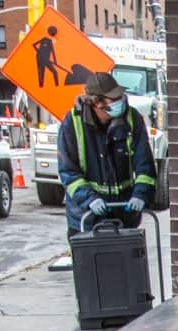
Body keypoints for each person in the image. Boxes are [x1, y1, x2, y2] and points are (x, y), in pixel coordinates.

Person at [57, 72, 157, 241]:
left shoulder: (132, 119)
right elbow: (68, 171)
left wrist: (141, 194)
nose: (121, 100)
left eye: (120, 95)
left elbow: (144, 164)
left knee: (125, 266)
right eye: (114, 98)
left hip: (124, 216)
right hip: (86, 219)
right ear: (96, 102)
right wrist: (90, 199)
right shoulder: (72, 124)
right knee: (91, 266)